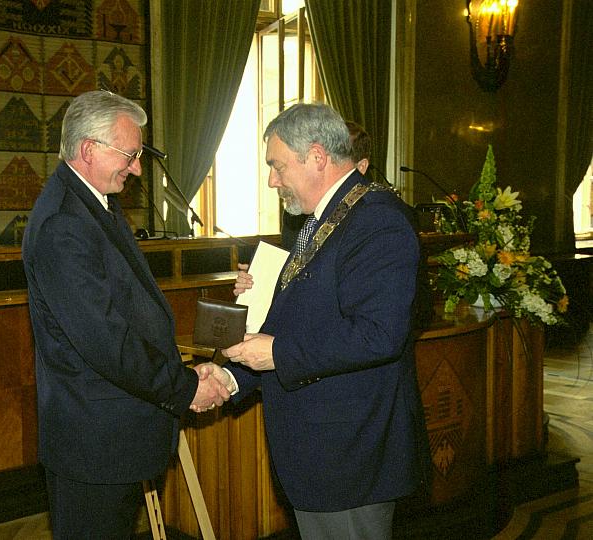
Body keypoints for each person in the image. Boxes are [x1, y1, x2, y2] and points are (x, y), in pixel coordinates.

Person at [22, 90, 233, 538]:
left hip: (110, 433)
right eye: (130, 154)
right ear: (88, 150)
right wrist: (184, 387)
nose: (137, 168)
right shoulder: (64, 224)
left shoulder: (92, 203)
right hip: (94, 440)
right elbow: (106, 342)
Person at [222, 103, 428, 538]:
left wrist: (275, 351)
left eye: (277, 166)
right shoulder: (324, 219)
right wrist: (233, 376)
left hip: (353, 452)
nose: (272, 179)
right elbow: (303, 316)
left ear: (317, 156)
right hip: (322, 451)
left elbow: (378, 334)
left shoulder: (377, 220)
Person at [281, 120, 372, 249]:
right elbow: (290, 258)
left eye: (336, 160)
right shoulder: (299, 206)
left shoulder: (370, 217)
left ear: (361, 167)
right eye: (318, 158)